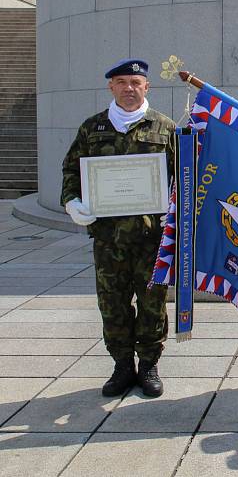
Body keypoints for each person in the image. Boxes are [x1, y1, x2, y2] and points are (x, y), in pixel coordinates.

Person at [61, 59, 175, 398]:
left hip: (152, 239)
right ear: (111, 86)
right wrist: (71, 201)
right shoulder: (92, 128)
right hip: (109, 239)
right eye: (122, 82)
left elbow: (184, 177)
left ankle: (149, 365)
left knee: (152, 304)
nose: (129, 88)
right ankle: (122, 366)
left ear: (147, 87)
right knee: (113, 303)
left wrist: (176, 207)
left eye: (135, 82)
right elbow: (71, 170)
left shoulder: (165, 128)